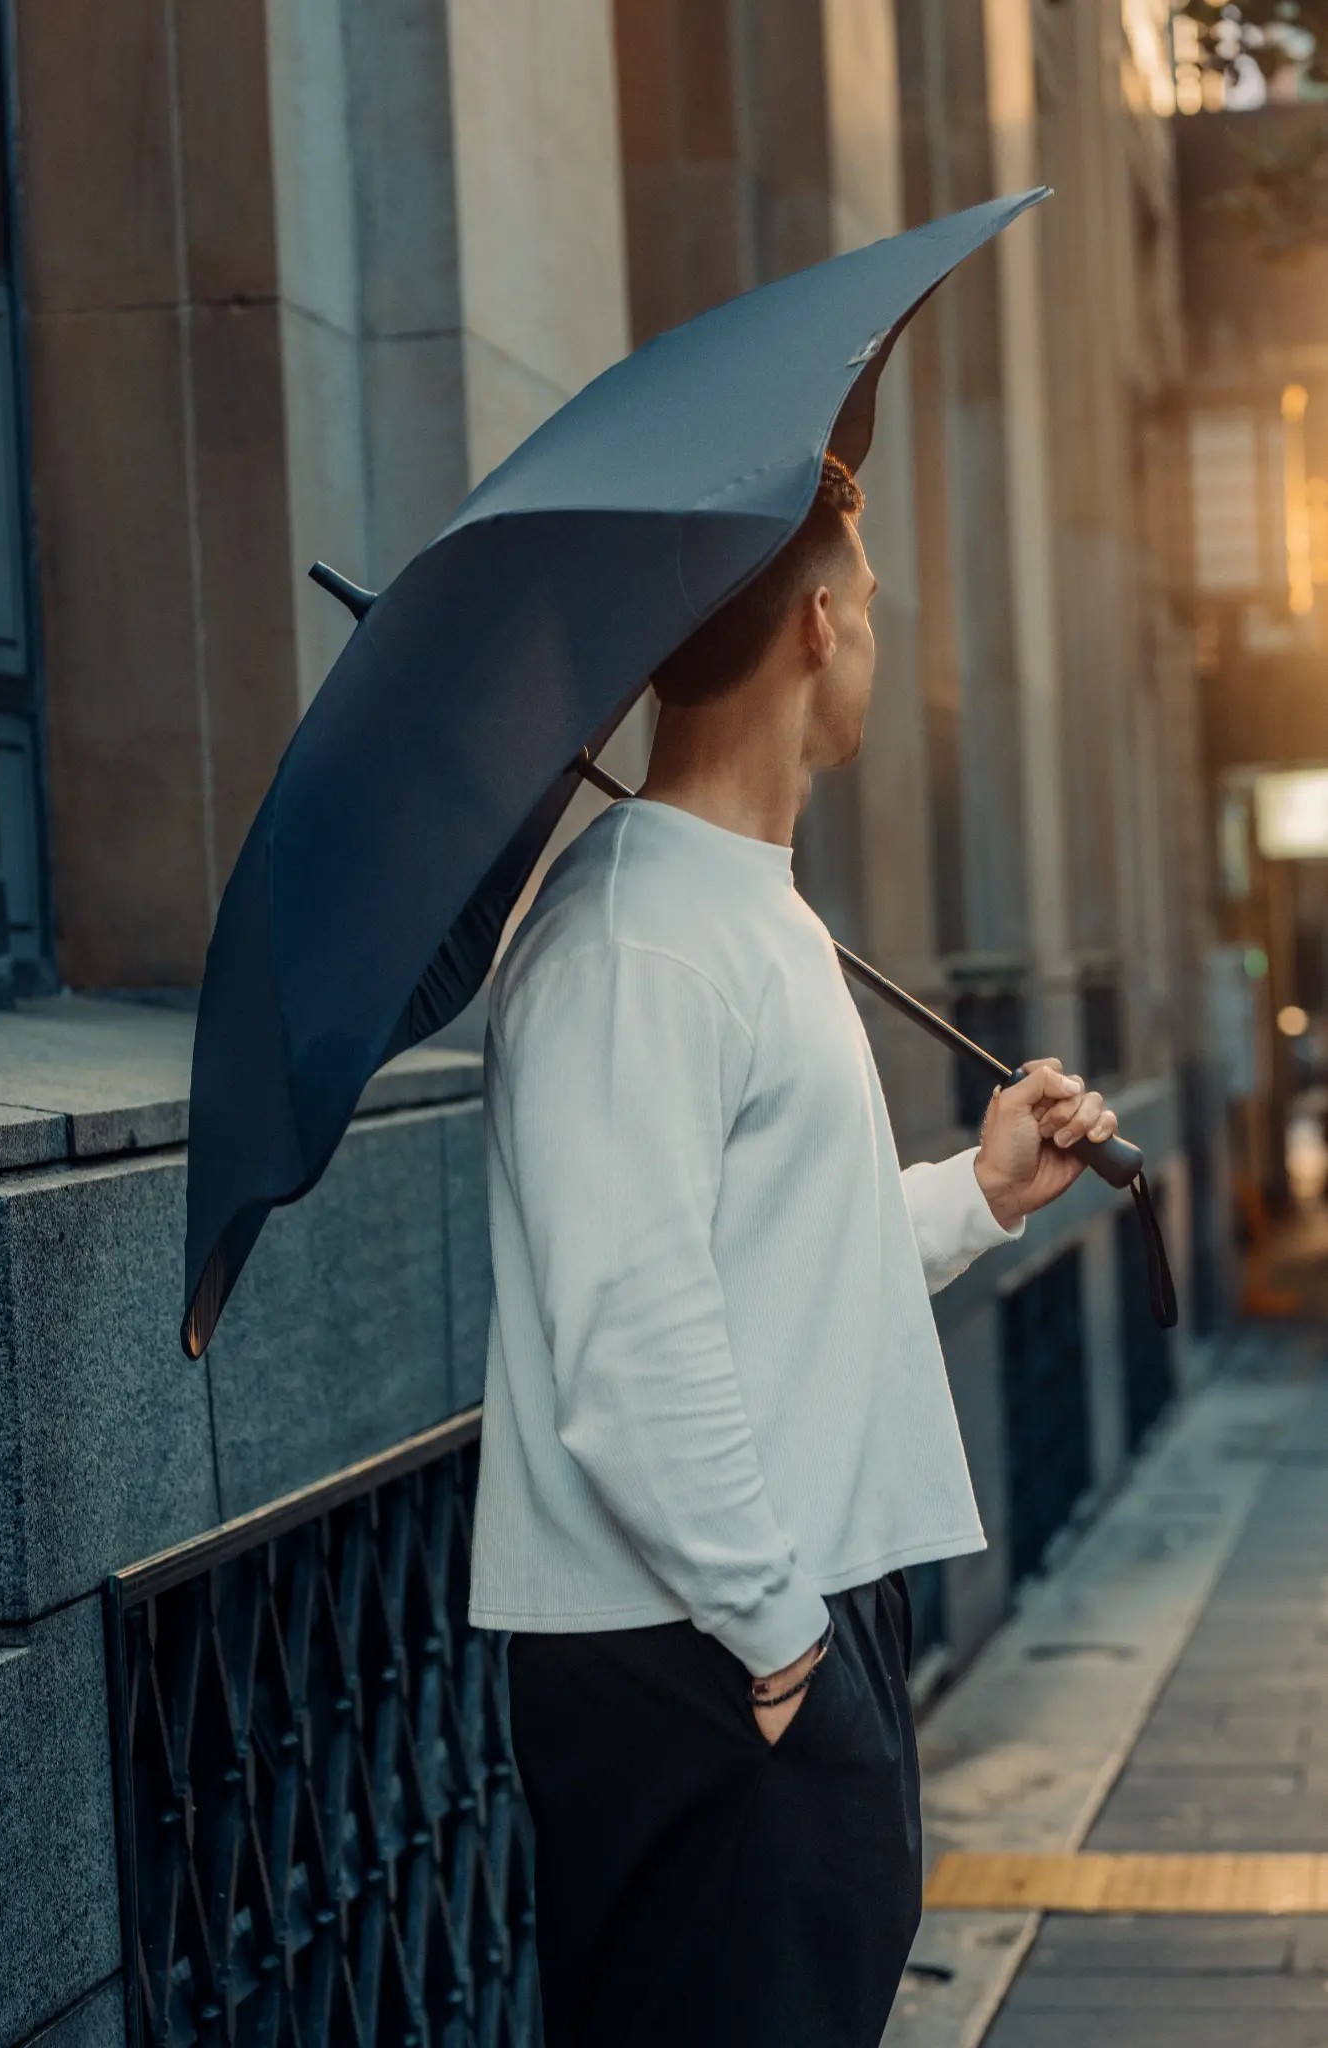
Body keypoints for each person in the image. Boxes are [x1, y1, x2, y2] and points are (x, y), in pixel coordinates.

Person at [466, 451, 1117, 2046]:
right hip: (705, 1655)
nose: (882, 635)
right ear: (817, 626)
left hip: (775, 1621)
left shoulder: (742, 910)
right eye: (875, 603)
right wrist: (778, 1646)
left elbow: (774, 1271)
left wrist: (976, 1190)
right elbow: (629, 1331)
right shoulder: (635, 937)